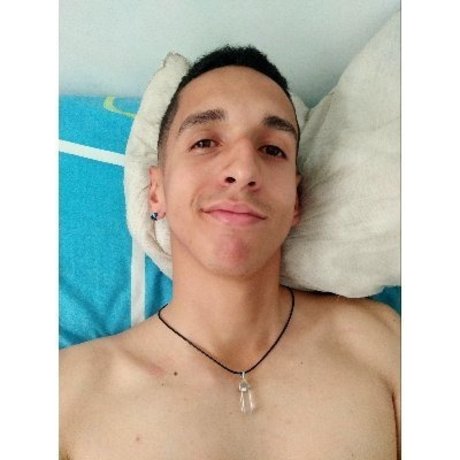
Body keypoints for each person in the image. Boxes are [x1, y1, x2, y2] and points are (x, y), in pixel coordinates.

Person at [60, 46, 400, 459]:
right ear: (156, 190)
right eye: (205, 142)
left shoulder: (382, 346)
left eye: (272, 149)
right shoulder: (67, 397)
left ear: (295, 201)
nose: (243, 170)